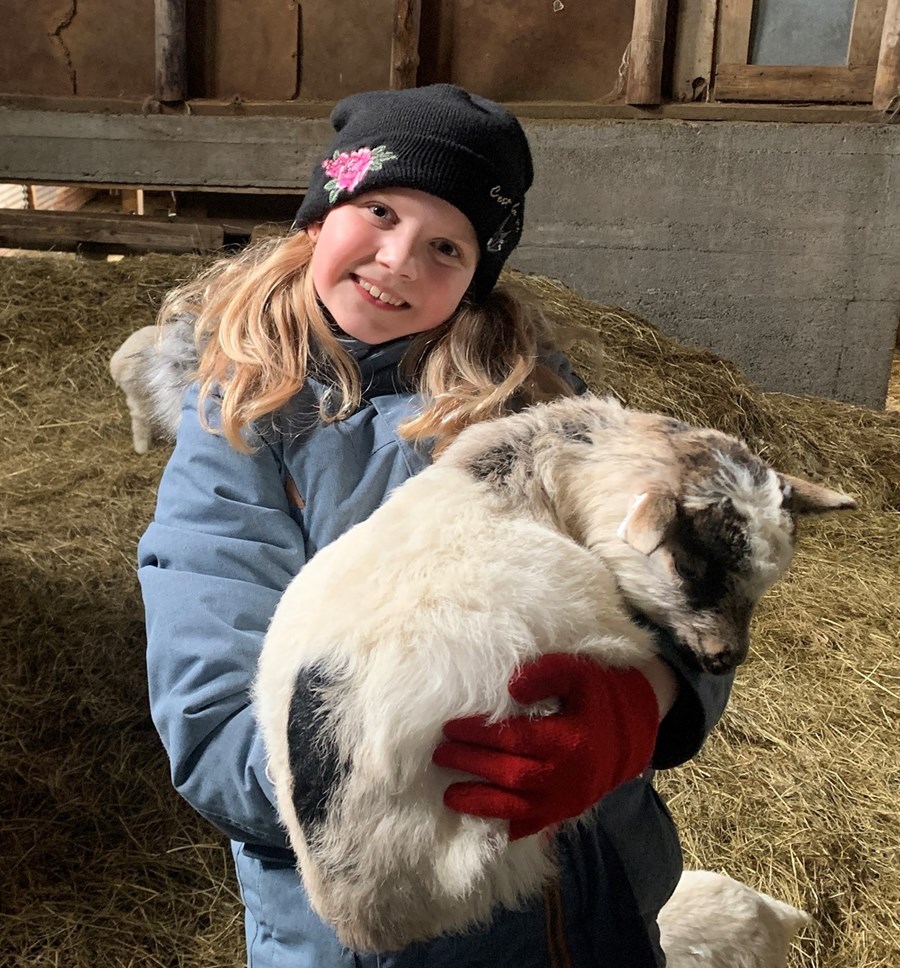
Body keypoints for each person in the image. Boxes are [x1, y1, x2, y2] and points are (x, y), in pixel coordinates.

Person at [138, 83, 733, 968]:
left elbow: (689, 595)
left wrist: (643, 704)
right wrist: (426, 779)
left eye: (446, 246)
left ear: (476, 277)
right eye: (378, 211)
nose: (399, 259)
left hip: (596, 902)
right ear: (320, 215)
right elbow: (213, 718)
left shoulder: (544, 409)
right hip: (385, 926)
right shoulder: (240, 431)